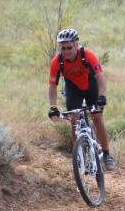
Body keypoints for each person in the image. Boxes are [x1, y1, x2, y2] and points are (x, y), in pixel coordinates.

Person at [48, 28, 115, 170]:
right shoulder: (57, 62)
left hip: (91, 86)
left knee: (97, 117)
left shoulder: (87, 55)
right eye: (63, 48)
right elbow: (52, 86)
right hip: (73, 90)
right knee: (74, 120)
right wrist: (53, 107)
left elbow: (100, 78)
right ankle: (78, 154)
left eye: (69, 47)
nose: (66, 51)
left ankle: (107, 154)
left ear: (76, 45)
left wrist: (102, 96)